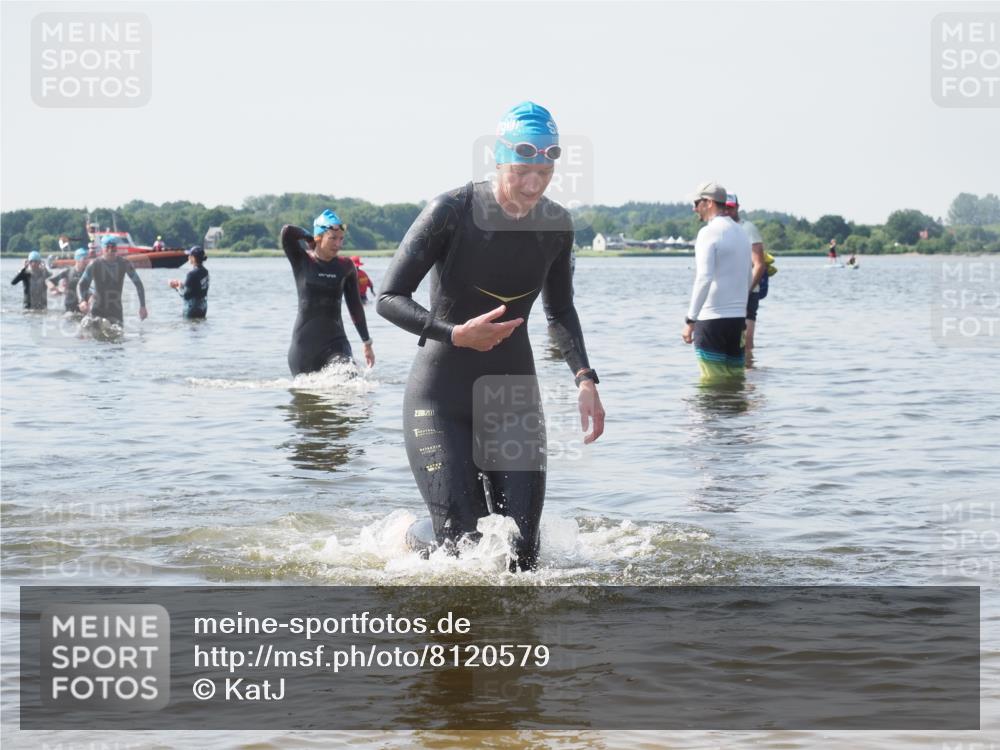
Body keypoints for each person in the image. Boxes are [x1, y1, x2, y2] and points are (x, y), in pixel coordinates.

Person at [377, 101, 605, 571]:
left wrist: (585, 378)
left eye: (545, 173)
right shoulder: (451, 211)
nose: (533, 184)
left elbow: (560, 310)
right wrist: (455, 333)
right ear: (499, 160)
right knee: (461, 543)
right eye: (522, 171)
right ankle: (412, 534)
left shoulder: (556, 226)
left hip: (512, 399)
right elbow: (389, 297)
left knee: (522, 555)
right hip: (440, 398)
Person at [280, 210, 374, 375]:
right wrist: (309, 238)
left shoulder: (346, 267)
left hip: (336, 344)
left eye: (341, 239)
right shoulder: (302, 260)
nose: (338, 244)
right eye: (333, 238)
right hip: (304, 349)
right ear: (319, 237)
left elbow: (355, 307)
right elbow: (287, 232)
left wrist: (367, 342)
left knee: (348, 373)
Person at [682, 182, 752, 380]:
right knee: (735, 380)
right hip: (737, 320)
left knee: (711, 381)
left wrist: (690, 320)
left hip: (711, 320)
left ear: (709, 203)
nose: (694, 209)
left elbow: (704, 277)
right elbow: (748, 276)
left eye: (697, 203)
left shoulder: (708, 232)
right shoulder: (741, 232)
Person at [725, 194, 767, 366]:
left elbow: (759, 264)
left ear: (737, 207)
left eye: (731, 207)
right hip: (727, 292)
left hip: (748, 292)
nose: (727, 211)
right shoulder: (718, 229)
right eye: (724, 207)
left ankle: (749, 373)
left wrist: (747, 290)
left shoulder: (747, 228)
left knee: (746, 342)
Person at [77, 236, 148, 324]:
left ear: (116, 248)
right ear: (103, 249)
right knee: (92, 330)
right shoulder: (94, 264)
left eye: (113, 248)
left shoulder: (124, 263)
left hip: (116, 310)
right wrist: (82, 301)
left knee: (117, 331)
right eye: (107, 248)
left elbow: (138, 284)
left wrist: (143, 306)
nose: (110, 251)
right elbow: (81, 284)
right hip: (97, 308)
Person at [168, 245, 210, 319]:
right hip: (203, 307)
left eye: (189, 255)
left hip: (192, 308)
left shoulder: (191, 274)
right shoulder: (205, 272)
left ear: (193, 258)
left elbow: (185, 295)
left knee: (189, 325)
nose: (188, 257)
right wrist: (182, 285)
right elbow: (197, 289)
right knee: (200, 324)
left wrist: (176, 287)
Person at [47, 248, 90, 314]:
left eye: (87, 258)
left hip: (83, 305)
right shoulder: (69, 272)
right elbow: (49, 280)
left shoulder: (88, 273)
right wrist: (55, 288)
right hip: (70, 306)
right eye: (84, 259)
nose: (87, 261)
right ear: (77, 259)